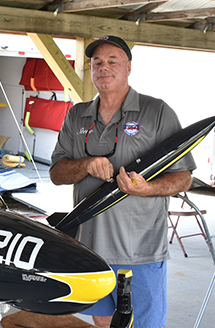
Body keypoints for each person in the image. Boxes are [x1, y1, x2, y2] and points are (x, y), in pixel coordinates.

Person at [49, 35, 194, 328]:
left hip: (139, 251)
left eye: (112, 61)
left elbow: (183, 178)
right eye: (97, 62)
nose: (104, 68)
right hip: (89, 250)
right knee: (103, 323)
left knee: (142, 325)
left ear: (128, 67)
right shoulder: (77, 115)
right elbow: (56, 173)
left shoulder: (157, 112)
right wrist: (85, 165)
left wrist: (147, 188)